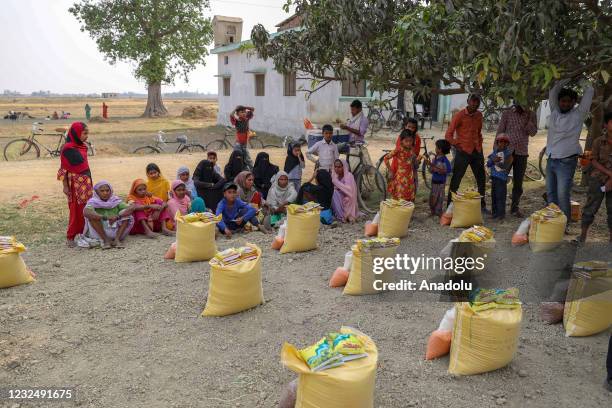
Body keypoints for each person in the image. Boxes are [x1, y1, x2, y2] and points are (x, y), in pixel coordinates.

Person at [546, 78, 594, 224]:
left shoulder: (578, 114)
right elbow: (554, 91)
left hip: (566, 161)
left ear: (574, 102)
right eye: (563, 101)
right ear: (559, 102)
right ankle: (552, 224)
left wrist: (577, 77)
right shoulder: (554, 111)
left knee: (562, 195)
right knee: (551, 194)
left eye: (569, 101)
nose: (565, 104)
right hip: (551, 158)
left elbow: (590, 90)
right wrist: (566, 76)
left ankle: (564, 225)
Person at [445, 94, 487, 210]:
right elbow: (448, 135)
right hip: (463, 151)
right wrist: (456, 144)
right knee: (456, 179)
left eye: (477, 102)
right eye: (472, 102)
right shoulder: (460, 115)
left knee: (481, 179)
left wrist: (479, 144)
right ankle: (449, 205)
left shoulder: (479, 115)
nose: (475, 104)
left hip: (477, 151)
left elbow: (479, 132)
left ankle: (482, 205)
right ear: (468, 101)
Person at [496, 103, 538, 217]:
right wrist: (496, 151)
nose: (520, 104)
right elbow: (500, 131)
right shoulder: (507, 113)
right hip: (506, 151)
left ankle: (514, 208)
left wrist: (528, 117)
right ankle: (500, 208)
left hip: (522, 153)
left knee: (518, 183)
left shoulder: (531, 114)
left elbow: (533, 132)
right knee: (501, 179)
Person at [57, 122, 93, 247]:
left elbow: (85, 166)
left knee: (86, 209)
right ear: (76, 133)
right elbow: (64, 169)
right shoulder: (68, 148)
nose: (86, 136)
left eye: (87, 133)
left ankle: (84, 234)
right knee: (75, 211)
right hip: (74, 185)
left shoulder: (82, 146)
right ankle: (70, 237)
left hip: (86, 182)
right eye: (84, 133)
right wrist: (65, 186)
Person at [579, 111, 612, 243]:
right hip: (598, 179)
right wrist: (610, 174)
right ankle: (582, 236)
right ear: (605, 124)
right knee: (590, 207)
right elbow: (593, 160)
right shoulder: (598, 141)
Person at [83, 181, 135, 249]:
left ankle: (117, 240)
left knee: (127, 215)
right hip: (99, 232)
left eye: (107, 190)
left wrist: (117, 217)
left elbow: (131, 208)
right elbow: (86, 212)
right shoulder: (93, 202)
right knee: (92, 217)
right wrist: (104, 217)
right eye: (102, 191)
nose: (105, 193)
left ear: (111, 191)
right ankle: (106, 240)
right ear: (96, 192)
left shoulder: (115, 200)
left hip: (116, 230)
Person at [384, 130, 417, 202]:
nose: (409, 143)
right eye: (406, 141)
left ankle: (404, 212)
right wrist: (390, 170)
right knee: (400, 198)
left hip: (409, 177)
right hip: (400, 178)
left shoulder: (411, 149)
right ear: (401, 141)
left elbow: (412, 161)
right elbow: (386, 158)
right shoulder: (398, 149)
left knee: (408, 199)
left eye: (410, 141)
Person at [486, 134, 514, 220]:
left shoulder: (508, 154)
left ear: (507, 144)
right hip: (494, 177)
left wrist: (497, 162)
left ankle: (501, 214)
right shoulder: (495, 152)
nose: (502, 144)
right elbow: (488, 164)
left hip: (502, 179)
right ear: (497, 143)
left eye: (504, 142)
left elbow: (506, 166)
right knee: (494, 196)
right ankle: (494, 213)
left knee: (500, 196)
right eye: (500, 142)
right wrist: (492, 160)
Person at [392, 118, 423, 192]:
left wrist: (416, 160)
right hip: (400, 168)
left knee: (411, 190)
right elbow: (397, 153)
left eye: (413, 127)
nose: (411, 129)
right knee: (399, 191)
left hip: (411, 168)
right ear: (405, 126)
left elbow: (416, 153)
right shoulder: (401, 137)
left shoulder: (417, 138)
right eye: (409, 126)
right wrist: (391, 170)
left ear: (416, 128)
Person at [427, 139, 452, 216]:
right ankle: (433, 211)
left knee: (439, 197)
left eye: (436, 147)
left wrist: (434, 167)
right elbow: (431, 170)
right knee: (433, 196)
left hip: (441, 183)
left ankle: (438, 212)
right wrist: (431, 165)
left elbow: (448, 170)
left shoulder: (444, 160)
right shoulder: (436, 158)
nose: (435, 149)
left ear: (440, 150)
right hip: (434, 181)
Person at [331, 159, 359, 223]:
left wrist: (337, 183)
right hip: (340, 196)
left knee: (336, 194)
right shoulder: (335, 176)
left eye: (339, 167)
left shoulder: (349, 175)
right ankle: (340, 215)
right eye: (335, 167)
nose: (337, 169)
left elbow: (349, 190)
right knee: (333, 193)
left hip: (349, 198)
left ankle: (348, 215)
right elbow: (335, 187)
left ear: (343, 167)